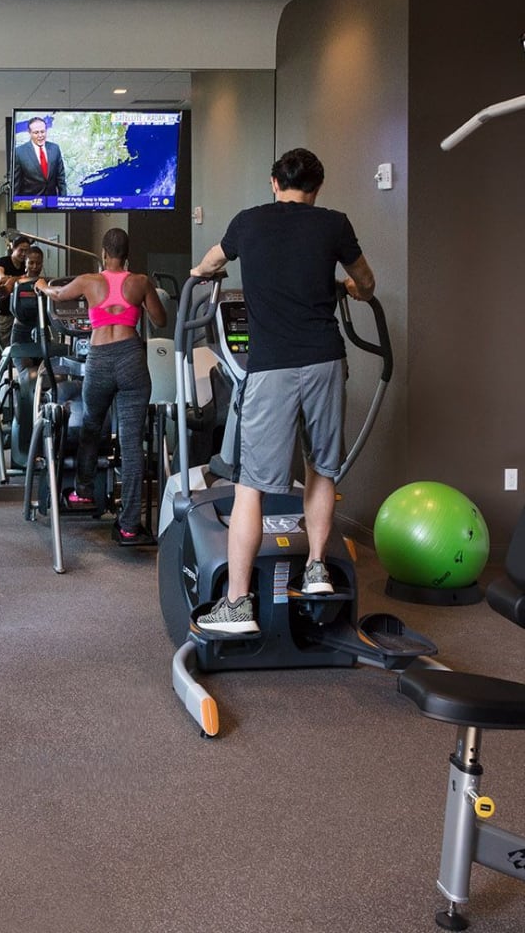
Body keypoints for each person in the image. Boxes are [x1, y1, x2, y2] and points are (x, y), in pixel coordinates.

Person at [189, 147, 376, 634]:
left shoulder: (249, 222)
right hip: (325, 360)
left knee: (251, 484)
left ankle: (237, 605)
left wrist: (201, 273)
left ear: (274, 182)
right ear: (317, 189)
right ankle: (316, 568)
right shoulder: (333, 223)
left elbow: (211, 260)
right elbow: (367, 281)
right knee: (320, 468)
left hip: (271, 367)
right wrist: (353, 290)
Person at [35, 228, 166, 546]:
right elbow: (160, 320)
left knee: (92, 425)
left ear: (104, 254)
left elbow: (57, 295)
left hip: (101, 359)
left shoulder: (88, 281)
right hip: (132, 358)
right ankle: (130, 525)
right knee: (132, 444)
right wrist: (146, 299)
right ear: (127, 255)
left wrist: (40, 285)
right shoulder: (141, 281)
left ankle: (83, 493)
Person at [13, 117, 67, 197]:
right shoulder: (19, 152)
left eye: (43, 131)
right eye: (36, 132)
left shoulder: (55, 149)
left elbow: (61, 179)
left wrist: (64, 202)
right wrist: (14, 206)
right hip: (30, 205)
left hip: (51, 205)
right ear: (29, 132)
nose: (40, 135)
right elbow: (16, 183)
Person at [0, 235, 30, 346]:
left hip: (21, 310)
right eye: (21, 250)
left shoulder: (26, 264)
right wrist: (19, 278)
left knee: (20, 342)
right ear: (13, 248)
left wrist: (15, 279)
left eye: (26, 251)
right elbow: (2, 277)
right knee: (3, 341)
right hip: (5, 310)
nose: (24, 254)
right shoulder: (3, 261)